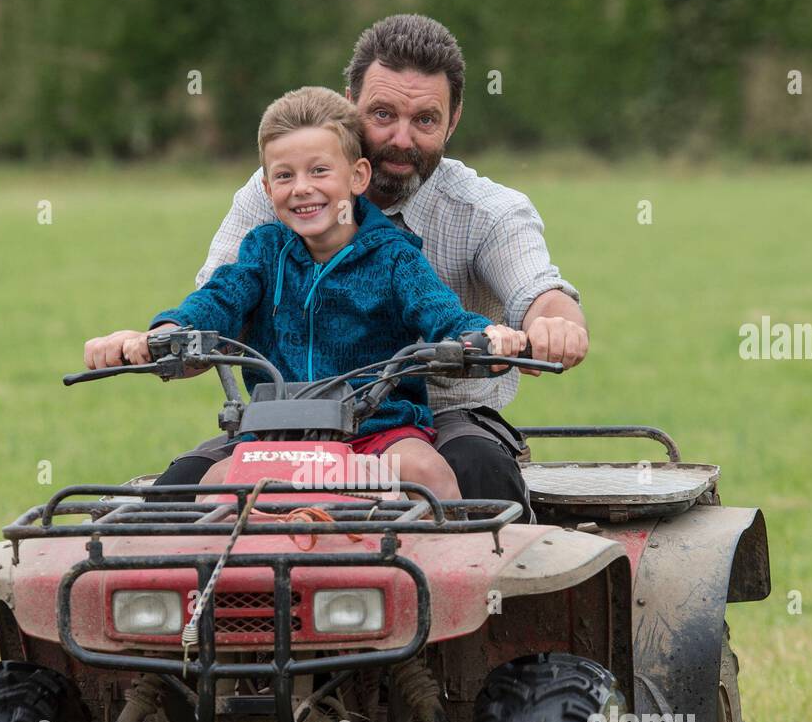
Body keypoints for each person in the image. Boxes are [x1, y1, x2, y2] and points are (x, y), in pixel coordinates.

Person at [84, 14, 588, 514]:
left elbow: (525, 294)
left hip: (415, 417)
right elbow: (216, 306)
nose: (402, 139)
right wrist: (155, 337)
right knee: (179, 493)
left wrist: (545, 329)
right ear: (351, 103)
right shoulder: (271, 216)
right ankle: (222, 592)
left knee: (479, 472)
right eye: (383, 114)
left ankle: (468, 587)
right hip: (284, 416)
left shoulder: (465, 221)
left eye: (426, 120)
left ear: (453, 121)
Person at [111, 85, 524, 500]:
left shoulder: (395, 257)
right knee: (213, 488)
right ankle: (228, 566)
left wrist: (484, 336)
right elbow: (219, 298)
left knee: (426, 473)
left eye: (319, 171)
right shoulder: (263, 252)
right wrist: (166, 331)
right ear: (268, 189)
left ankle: (442, 561)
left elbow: (443, 315)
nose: (302, 188)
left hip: (379, 431)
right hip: (274, 434)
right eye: (285, 176)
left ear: (358, 176)